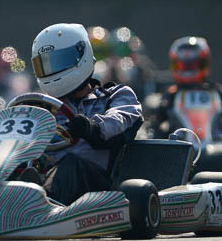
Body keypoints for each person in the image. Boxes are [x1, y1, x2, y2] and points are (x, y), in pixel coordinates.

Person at [29, 23, 144, 205]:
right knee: (12, 168)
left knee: (70, 165)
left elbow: (118, 121)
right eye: (46, 65)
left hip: (96, 186)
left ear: (80, 57)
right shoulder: (43, 107)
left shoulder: (115, 96)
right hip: (46, 173)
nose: (52, 70)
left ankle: (37, 203)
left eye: (59, 62)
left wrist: (90, 127)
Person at [154, 36, 222, 140]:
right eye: (183, 65)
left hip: (217, 148)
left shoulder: (218, 91)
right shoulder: (171, 94)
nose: (187, 69)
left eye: (192, 65)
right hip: (180, 148)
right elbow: (157, 125)